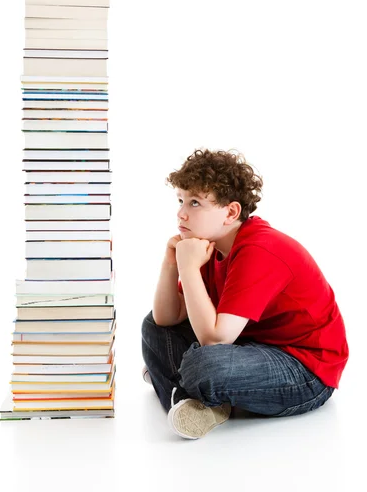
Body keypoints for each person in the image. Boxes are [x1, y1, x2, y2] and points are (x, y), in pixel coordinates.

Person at [141, 149, 349, 440]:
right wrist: (171, 263)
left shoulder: (259, 249)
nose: (181, 213)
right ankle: (188, 396)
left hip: (306, 370)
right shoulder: (207, 246)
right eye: (180, 200)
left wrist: (188, 269)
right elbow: (166, 319)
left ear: (230, 212)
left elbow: (215, 340)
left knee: (204, 364)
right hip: (251, 345)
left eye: (195, 202)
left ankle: (176, 383)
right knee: (151, 325)